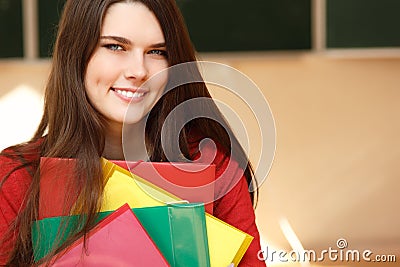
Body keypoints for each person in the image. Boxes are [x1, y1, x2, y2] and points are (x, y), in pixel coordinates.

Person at [0, 0, 266, 266]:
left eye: (157, 52)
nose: (139, 71)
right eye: (115, 46)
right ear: (76, 53)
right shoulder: (17, 178)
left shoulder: (212, 162)